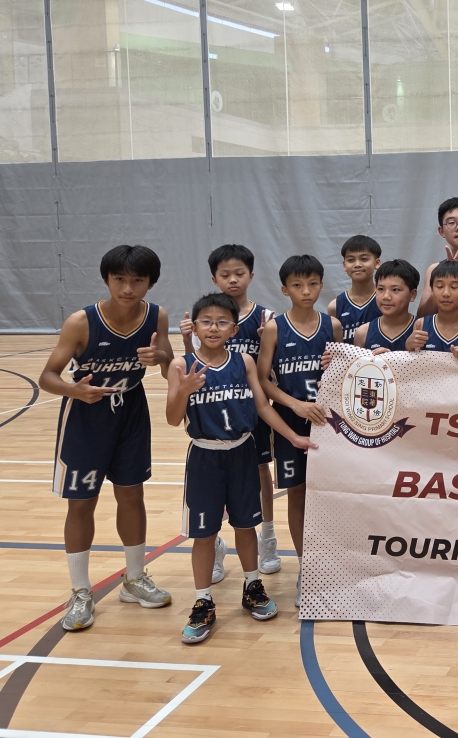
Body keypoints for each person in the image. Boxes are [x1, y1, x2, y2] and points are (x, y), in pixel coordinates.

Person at [40, 245, 175, 632]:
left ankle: (134, 578)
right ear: (106, 280)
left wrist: (161, 360)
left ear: (150, 283)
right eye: (120, 279)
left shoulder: (157, 316)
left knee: (132, 494)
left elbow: (171, 370)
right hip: (86, 414)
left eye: (137, 281)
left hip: (131, 410)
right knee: (82, 502)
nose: (128, 288)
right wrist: (74, 390)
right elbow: (47, 377)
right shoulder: (81, 322)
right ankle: (80, 591)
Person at [166, 293, 315, 644]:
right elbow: (173, 419)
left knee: (246, 526)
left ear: (234, 330)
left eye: (222, 322)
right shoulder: (180, 365)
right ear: (194, 327)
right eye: (206, 321)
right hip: (205, 456)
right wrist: (184, 391)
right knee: (204, 534)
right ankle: (203, 601)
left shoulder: (245, 361)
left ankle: (252, 586)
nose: (213, 328)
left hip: (243, 452)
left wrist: (293, 436)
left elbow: (262, 407)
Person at [177, 243, 280, 584]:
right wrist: (185, 342)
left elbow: (270, 368)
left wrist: (268, 340)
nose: (233, 280)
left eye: (239, 273)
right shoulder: (205, 317)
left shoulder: (265, 318)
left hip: (248, 408)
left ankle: (267, 538)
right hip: (212, 411)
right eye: (225, 275)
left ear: (251, 275)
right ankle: (216, 544)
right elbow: (191, 366)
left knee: (260, 471)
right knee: (216, 481)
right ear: (214, 279)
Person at [257, 255, 341, 607]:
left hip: (328, 422)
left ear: (321, 285)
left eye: (312, 284)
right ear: (284, 289)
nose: (305, 291)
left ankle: (331, 563)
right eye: (297, 285)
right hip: (291, 420)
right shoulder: (275, 328)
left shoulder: (332, 325)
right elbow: (262, 380)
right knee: (297, 494)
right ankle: (307, 567)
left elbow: (344, 372)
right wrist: (294, 404)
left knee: (330, 495)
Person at [408, 260, 458, 358]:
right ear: (432, 290)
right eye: (440, 286)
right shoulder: (421, 324)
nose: (446, 293)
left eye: (454, 287)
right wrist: (409, 345)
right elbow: (413, 362)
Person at [326, 235, 382, 343]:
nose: (357, 264)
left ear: (377, 263)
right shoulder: (335, 306)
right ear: (344, 265)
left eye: (364, 259)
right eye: (351, 260)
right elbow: (335, 346)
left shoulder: (386, 300)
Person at [356, 260, 420, 352]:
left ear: (412, 295)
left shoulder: (422, 329)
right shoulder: (363, 333)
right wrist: (374, 359)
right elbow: (358, 362)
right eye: (381, 289)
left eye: (395, 290)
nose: (386, 296)